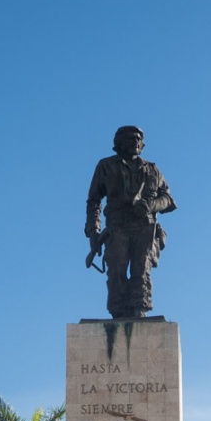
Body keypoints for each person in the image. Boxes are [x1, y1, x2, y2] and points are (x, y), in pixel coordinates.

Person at [85, 126, 177, 318]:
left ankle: (139, 310)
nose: (135, 141)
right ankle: (118, 312)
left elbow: (168, 200)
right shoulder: (106, 166)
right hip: (117, 227)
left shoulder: (152, 169)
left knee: (141, 270)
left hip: (145, 227)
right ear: (118, 144)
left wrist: (151, 205)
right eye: (130, 138)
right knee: (116, 269)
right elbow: (94, 202)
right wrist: (94, 232)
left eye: (139, 138)